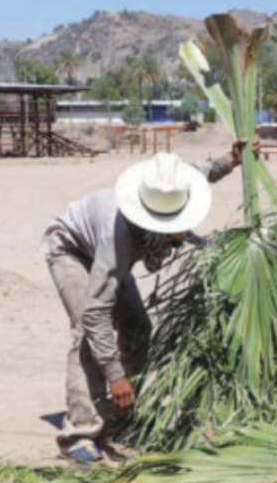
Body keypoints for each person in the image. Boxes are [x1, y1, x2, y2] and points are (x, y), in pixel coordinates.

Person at [42, 142, 248, 463]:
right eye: (167, 235)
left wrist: (230, 161)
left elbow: (199, 173)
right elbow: (96, 313)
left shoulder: (169, 187)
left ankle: (123, 414)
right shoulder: (118, 239)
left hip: (110, 256)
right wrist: (115, 374)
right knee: (86, 334)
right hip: (73, 250)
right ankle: (80, 434)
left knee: (137, 325)